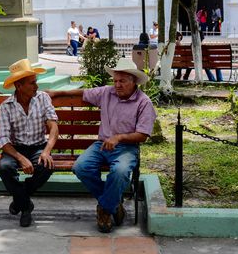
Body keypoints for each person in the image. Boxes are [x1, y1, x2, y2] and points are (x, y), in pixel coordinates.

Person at [45, 58, 156, 233]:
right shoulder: (106, 92)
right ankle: (113, 203)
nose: (118, 85)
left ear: (134, 82)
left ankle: (104, 209)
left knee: (119, 172)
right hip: (102, 145)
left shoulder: (144, 103)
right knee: (81, 167)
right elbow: (83, 92)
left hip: (126, 147)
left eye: (122, 81)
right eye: (116, 81)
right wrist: (57, 93)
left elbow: (143, 135)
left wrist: (119, 138)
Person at [0, 59, 59, 228]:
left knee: (47, 166)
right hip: (15, 149)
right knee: (4, 167)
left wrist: (46, 151)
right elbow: (3, 140)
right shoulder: (6, 106)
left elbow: (53, 127)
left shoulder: (43, 98)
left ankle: (19, 200)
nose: (36, 86)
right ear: (19, 86)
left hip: (38, 146)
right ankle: (26, 206)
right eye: (32, 83)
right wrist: (20, 158)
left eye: (35, 82)